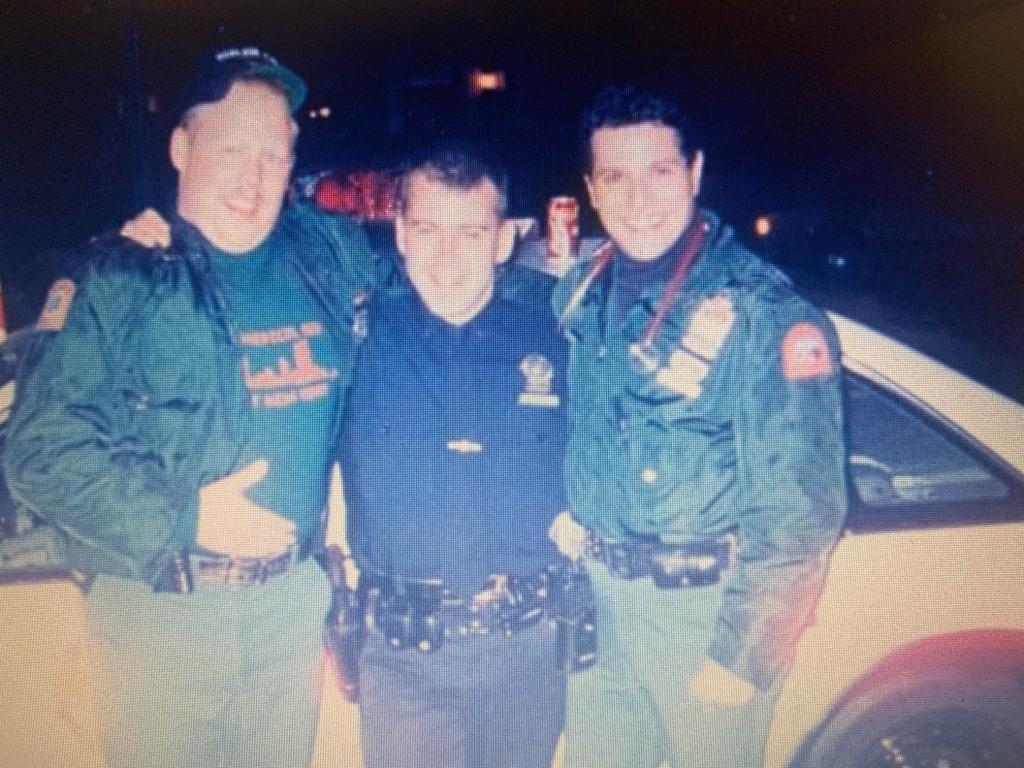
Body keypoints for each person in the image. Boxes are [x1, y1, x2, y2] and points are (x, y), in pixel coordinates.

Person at [3, 45, 375, 768]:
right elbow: (38, 449)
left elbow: (433, 281)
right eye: (232, 148)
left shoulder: (326, 255)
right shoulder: (123, 274)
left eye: (274, 156)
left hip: (291, 610)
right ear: (181, 145)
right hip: (164, 613)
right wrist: (186, 515)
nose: (253, 177)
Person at [548, 85, 848, 768]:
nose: (638, 199)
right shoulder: (579, 294)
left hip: (704, 616)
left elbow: (802, 510)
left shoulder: (762, 312)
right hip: (601, 607)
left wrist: (744, 654)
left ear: (695, 172)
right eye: (616, 178)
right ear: (592, 190)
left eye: (659, 172)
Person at [338, 145, 571, 768]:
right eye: (427, 231)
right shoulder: (351, 337)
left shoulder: (560, 334)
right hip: (400, 656)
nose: (446, 256)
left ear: (503, 241)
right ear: (400, 236)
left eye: (469, 233)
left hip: (525, 653)